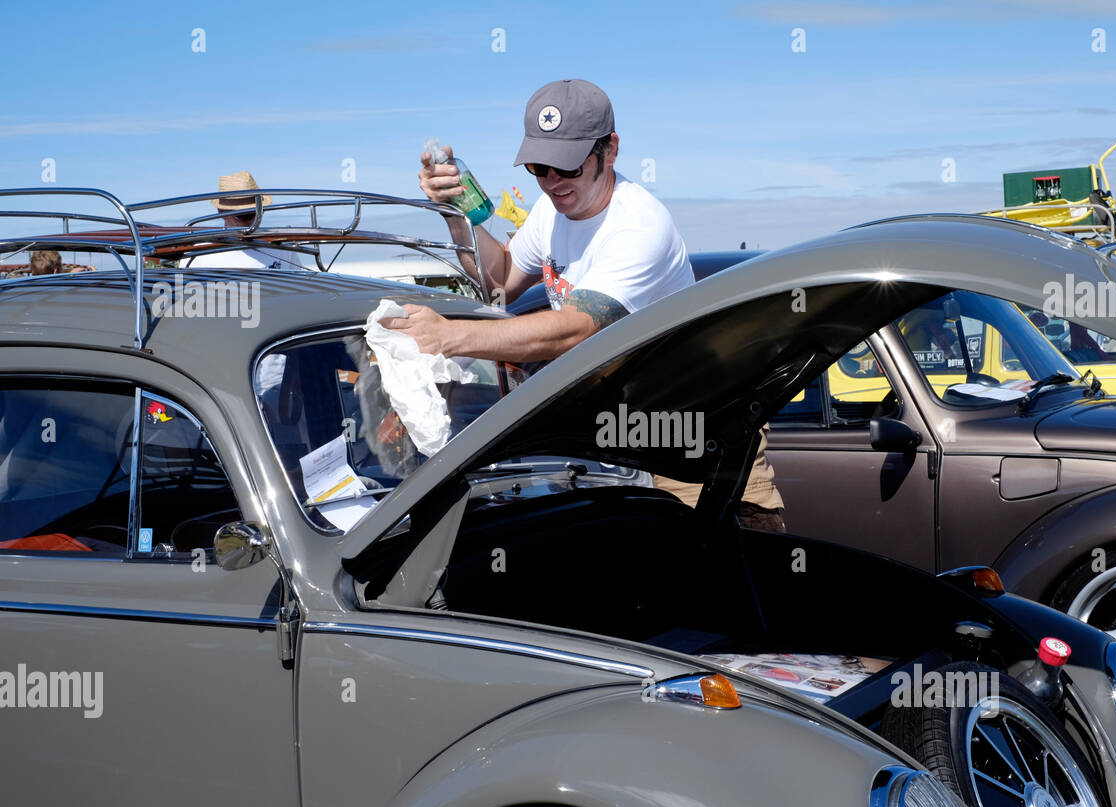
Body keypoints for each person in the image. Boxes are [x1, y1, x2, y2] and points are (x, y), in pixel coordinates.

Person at [393, 78, 786, 530]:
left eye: (567, 166)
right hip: (621, 444)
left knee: (723, 583)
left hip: (696, 440)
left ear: (610, 150)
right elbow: (499, 281)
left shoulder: (639, 225)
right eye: (539, 167)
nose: (552, 182)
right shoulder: (550, 211)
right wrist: (456, 214)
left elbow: (575, 328)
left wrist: (450, 336)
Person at [182, 172, 304, 271]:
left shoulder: (284, 249)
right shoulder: (197, 255)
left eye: (252, 214)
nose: (249, 221)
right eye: (242, 215)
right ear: (221, 212)